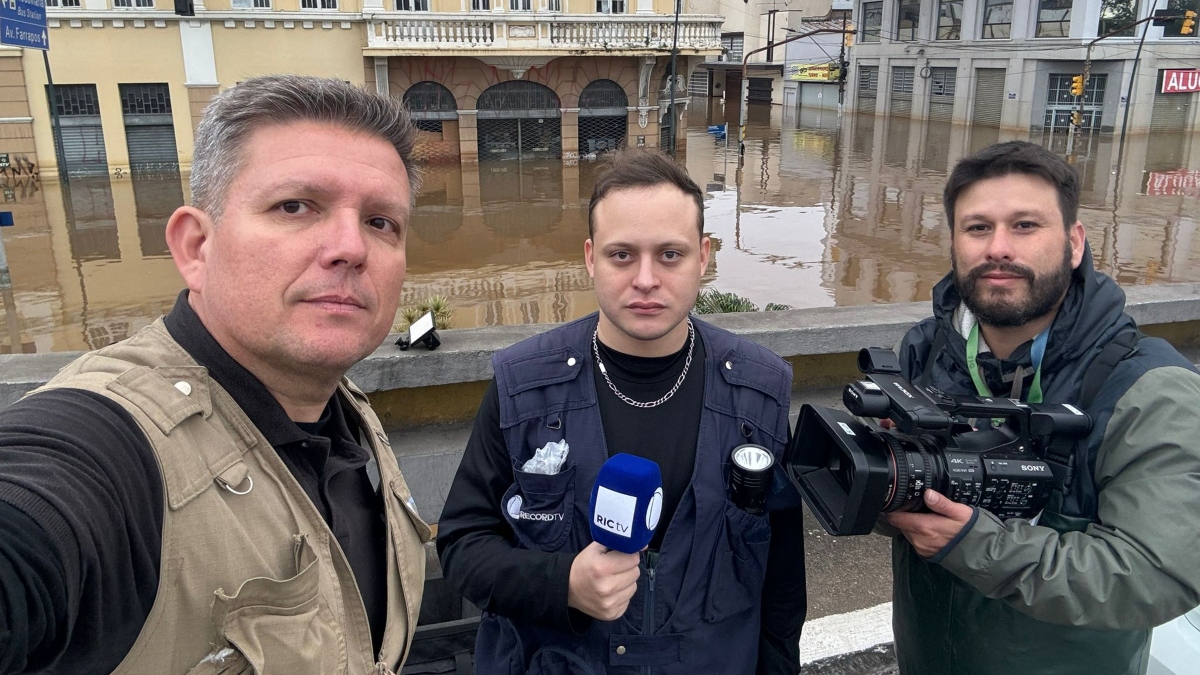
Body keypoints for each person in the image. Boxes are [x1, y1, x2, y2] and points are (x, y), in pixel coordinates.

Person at [0, 75, 431, 674]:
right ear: (196, 247)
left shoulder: (343, 412)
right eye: (295, 206)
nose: (350, 246)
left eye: (381, 222)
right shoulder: (110, 445)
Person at [437, 150, 807, 675]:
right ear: (591, 258)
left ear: (704, 256)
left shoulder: (759, 392)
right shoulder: (523, 386)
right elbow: (462, 545)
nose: (646, 279)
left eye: (671, 255)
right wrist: (562, 583)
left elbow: (782, 582)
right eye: (622, 255)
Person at [887, 140, 1200, 675]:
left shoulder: (1149, 389)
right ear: (955, 244)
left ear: (1074, 243)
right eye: (978, 228)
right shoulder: (926, 350)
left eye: (1025, 226)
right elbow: (916, 510)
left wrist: (975, 545)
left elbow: (1154, 575)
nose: (999, 248)